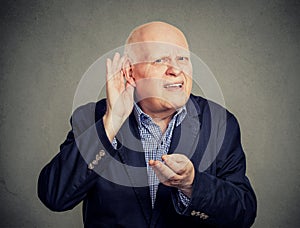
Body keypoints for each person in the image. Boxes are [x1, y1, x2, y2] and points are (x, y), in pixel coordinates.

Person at [38, 21, 257, 227]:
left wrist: (192, 184)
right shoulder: (92, 117)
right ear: (129, 71)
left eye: (182, 59)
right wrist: (111, 122)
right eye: (160, 60)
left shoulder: (220, 123)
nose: (175, 70)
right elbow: (55, 196)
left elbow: (243, 212)